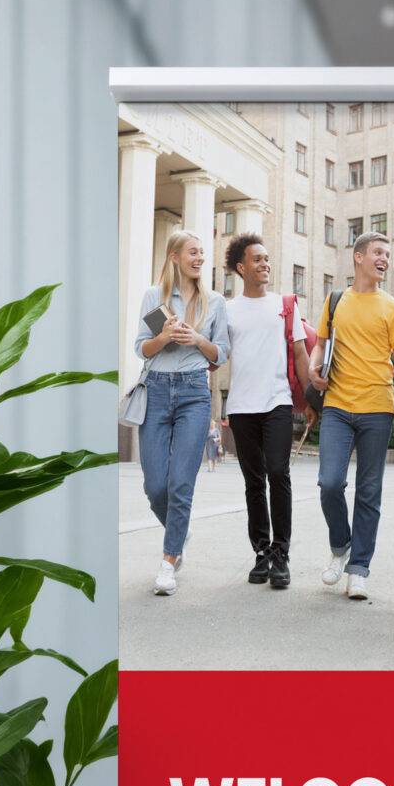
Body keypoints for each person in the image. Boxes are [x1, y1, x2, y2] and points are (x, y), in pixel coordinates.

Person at [311, 231, 394, 601]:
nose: (384, 259)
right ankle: (342, 546)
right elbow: (320, 344)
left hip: (377, 407)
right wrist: (312, 369)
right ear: (358, 257)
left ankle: (359, 569)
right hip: (337, 404)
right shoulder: (336, 300)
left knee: (369, 491)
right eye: (378, 253)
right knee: (330, 483)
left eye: (388, 254)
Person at [133, 230, 225, 596]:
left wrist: (198, 340)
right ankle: (180, 530)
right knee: (155, 487)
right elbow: (144, 349)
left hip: (193, 392)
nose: (199, 258)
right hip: (156, 390)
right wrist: (166, 336)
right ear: (174, 256)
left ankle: (169, 561)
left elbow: (220, 356)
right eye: (192, 252)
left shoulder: (213, 301)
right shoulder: (156, 298)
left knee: (180, 485)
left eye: (202, 253)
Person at [218, 231, 310, 590]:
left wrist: (311, 400)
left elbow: (300, 355)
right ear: (241, 267)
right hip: (241, 406)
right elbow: (218, 354)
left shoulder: (284, 304)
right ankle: (261, 552)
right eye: (258, 259)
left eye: (267, 258)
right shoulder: (227, 310)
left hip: (277, 401)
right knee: (253, 482)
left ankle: (281, 554)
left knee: (278, 472)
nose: (265, 263)